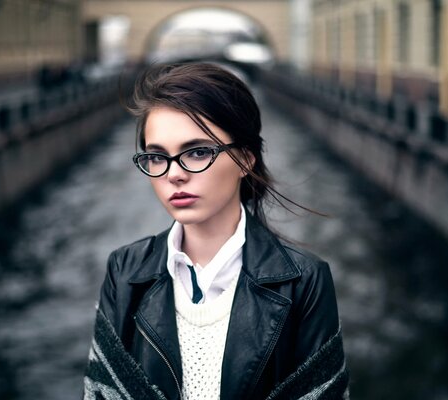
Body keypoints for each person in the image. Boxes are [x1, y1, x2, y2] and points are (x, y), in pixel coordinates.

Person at [83, 62, 348, 400]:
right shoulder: (124, 270)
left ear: (245, 159)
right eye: (157, 156)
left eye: (197, 152)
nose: (174, 174)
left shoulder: (304, 280)